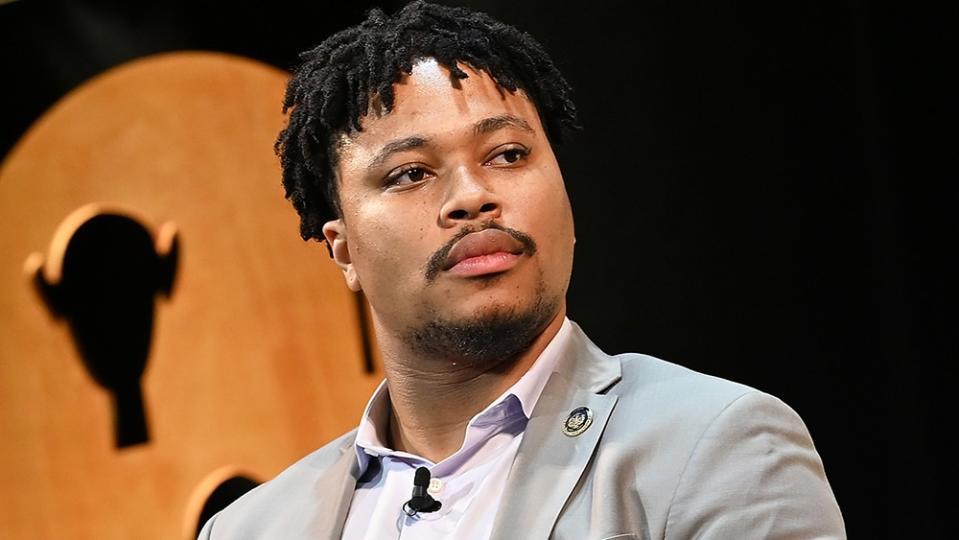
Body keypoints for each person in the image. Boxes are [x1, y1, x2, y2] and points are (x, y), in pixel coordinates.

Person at [199, 2, 846, 538]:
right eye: (411, 173)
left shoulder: (715, 446)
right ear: (342, 249)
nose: (472, 197)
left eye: (507, 154)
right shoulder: (248, 528)